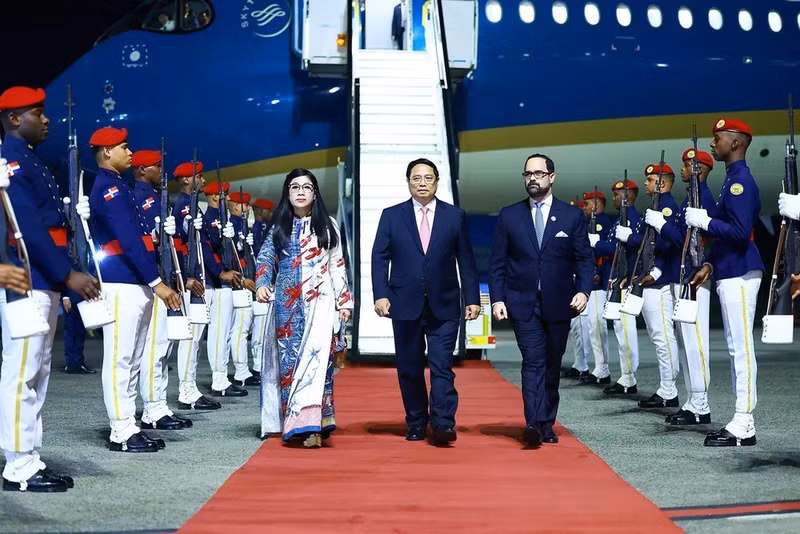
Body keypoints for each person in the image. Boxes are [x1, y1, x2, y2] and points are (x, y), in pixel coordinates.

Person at [0, 86, 99, 492]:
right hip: (27, 279)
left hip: (43, 279)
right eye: (37, 113)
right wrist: (67, 274)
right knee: (21, 374)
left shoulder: (28, 160)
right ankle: (18, 466)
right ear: (12, 119)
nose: (45, 119)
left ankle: (29, 457)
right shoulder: (11, 161)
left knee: (37, 373)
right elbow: (27, 228)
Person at [87, 127, 182, 452]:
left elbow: (140, 239)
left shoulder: (119, 186)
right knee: (121, 359)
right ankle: (121, 430)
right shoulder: (109, 188)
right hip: (121, 281)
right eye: (123, 147)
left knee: (134, 357)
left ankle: (130, 424)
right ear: (106, 152)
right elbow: (127, 239)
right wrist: (157, 282)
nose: (130, 153)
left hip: (134, 280)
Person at [371, 159, 479, 446]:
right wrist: (380, 294)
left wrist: (472, 298)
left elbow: (466, 260)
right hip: (403, 304)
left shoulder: (454, 216)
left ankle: (443, 423)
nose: (422, 182)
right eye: (416, 178)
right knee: (409, 366)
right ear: (408, 182)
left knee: (442, 365)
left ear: (437, 182)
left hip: (445, 305)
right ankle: (417, 421)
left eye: (428, 178)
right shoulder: (392, 216)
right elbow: (379, 257)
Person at [490, 153, 593, 447]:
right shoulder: (509, 215)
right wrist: (498, 299)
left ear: (551, 177)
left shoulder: (572, 216)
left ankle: (547, 421)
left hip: (560, 303)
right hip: (522, 303)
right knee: (533, 361)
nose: (532, 178)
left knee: (551, 363)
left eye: (537, 173)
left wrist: (584, 291)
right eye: (527, 174)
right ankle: (534, 424)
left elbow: (584, 260)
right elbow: (497, 263)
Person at [256, 168, 353, 448]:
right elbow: (266, 258)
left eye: (307, 187)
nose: (300, 192)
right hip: (287, 306)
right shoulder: (278, 227)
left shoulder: (328, 226)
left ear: (315, 193)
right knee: (290, 365)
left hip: (321, 304)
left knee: (318, 364)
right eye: (295, 187)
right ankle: (295, 422)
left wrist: (343, 303)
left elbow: (337, 264)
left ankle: (314, 425)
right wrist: (262, 282)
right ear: (287, 193)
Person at [686, 118, 763, 447]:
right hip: (730, 268)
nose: (712, 142)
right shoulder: (730, 179)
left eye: (717, 138)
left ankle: (745, 422)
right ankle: (741, 418)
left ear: (736, 143)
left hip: (743, 271)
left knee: (742, 348)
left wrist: (704, 221)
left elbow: (738, 232)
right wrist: (709, 264)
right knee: (736, 348)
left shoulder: (741, 181)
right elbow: (725, 231)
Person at [646, 148, 717, 425]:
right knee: (688, 342)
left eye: (688, 165)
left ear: (698, 169)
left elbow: (693, 241)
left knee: (697, 343)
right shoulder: (690, 198)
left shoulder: (704, 198)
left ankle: (700, 403)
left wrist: (662, 225)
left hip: (696, 277)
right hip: (684, 276)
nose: (684, 170)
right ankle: (693, 400)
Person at [131, 149, 196, 430]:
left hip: (166, 276)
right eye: (157, 166)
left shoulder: (154, 197)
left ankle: (158, 404)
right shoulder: (140, 197)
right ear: (143, 170)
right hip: (156, 280)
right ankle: (152, 408)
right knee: (155, 348)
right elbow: (145, 242)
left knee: (163, 348)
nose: (161, 170)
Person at [631, 163, 682, 409]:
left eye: (650, 180)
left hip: (659, 280)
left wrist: (657, 269)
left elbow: (671, 243)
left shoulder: (668, 206)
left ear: (661, 183)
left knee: (663, 335)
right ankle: (666, 388)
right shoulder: (656, 206)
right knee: (657, 335)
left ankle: (669, 391)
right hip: (650, 276)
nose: (646, 184)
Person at [591, 180, 641, 395]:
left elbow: (622, 248)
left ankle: (629, 378)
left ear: (628, 195)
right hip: (618, 278)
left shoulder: (631, 217)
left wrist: (597, 244)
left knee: (626, 330)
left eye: (617, 194)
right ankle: (625, 376)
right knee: (621, 329)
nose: (613, 198)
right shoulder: (620, 219)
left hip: (627, 278)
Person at [203, 181, 248, 397]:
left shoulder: (222, 219)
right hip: (218, 282)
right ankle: (219, 380)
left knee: (226, 334)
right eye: (225, 194)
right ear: (214, 197)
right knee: (219, 333)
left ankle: (223, 375)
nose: (228, 199)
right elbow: (209, 250)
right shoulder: (211, 219)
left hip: (226, 282)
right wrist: (220, 271)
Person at [579, 190, 613, 385]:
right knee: (593, 326)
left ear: (598, 204)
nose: (585, 207)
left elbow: (605, 251)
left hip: (599, 281)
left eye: (588, 203)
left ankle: (602, 368)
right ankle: (600, 367)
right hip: (593, 281)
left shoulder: (602, 223)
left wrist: (596, 244)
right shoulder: (590, 223)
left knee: (597, 326)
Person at [227, 190, 259, 388]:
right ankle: (240, 372)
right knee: (240, 329)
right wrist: (245, 277)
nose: (247, 208)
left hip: (246, 280)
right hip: (240, 282)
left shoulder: (242, 225)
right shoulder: (235, 224)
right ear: (238, 206)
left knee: (243, 328)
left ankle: (243, 370)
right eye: (245, 205)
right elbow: (233, 257)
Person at [563, 199, 592, 380]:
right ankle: (579, 362)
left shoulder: (591, 226)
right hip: (574, 283)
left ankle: (584, 364)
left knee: (585, 326)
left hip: (590, 284)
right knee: (576, 328)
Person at [62, 289, 94, 374]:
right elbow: (66, 277)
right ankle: (71, 364)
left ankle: (79, 362)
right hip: (71, 296)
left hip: (83, 297)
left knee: (81, 332)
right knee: (70, 331)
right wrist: (65, 297)